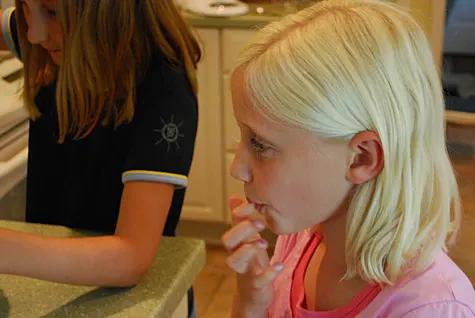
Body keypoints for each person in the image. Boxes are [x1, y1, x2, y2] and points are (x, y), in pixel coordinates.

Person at [221, 0, 475, 317]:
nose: (238, 169)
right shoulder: (298, 243)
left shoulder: (431, 307)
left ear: (361, 159)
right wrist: (250, 306)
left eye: (260, 144)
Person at [0, 0, 200, 316]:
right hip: (50, 287)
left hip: (138, 301)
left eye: (51, 14)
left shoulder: (163, 92)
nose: (35, 35)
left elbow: (130, 259)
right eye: (26, 10)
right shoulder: (56, 34)